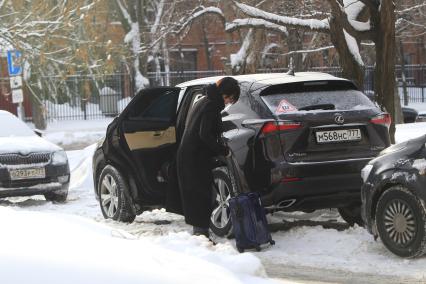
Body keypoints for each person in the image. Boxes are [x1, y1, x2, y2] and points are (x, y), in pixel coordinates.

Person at [176, 77, 240, 238]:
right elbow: (204, 134)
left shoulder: (205, 100)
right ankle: (200, 235)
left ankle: (200, 234)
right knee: (203, 196)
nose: (228, 103)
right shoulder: (211, 105)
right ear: (224, 94)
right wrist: (222, 150)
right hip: (194, 157)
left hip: (191, 156)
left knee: (205, 195)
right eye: (230, 98)